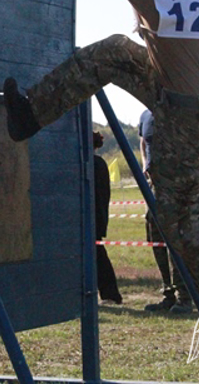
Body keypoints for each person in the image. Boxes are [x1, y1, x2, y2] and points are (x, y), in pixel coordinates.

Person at [4, 0, 199, 306]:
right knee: (114, 52)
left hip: (185, 111)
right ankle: (29, 114)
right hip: (196, 98)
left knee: (181, 219)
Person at [138, 110, 191, 314]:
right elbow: (144, 142)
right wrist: (145, 163)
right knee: (156, 238)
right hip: (154, 185)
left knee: (176, 241)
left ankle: (185, 296)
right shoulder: (145, 116)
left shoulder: (177, 111)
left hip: (175, 186)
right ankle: (168, 294)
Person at [93, 131, 122, 305]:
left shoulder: (94, 164)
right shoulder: (99, 163)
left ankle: (111, 294)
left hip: (93, 217)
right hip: (98, 216)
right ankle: (110, 293)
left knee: (98, 256)